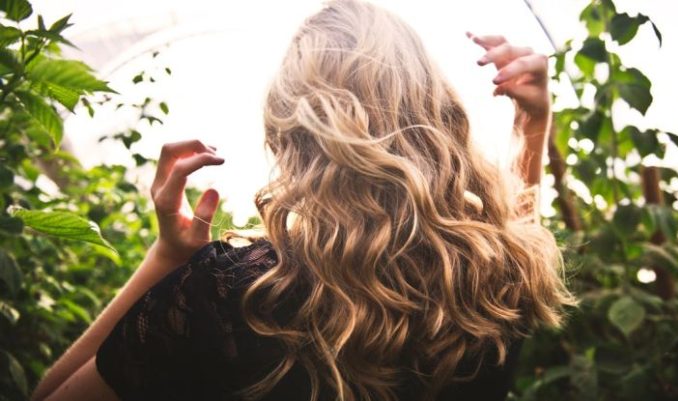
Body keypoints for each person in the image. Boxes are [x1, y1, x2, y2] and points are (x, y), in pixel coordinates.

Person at [32, 1, 573, 400]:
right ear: (435, 109)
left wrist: (168, 260)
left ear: (290, 130)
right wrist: (532, 122)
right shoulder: (499, 276)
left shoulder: (233, 296)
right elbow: (516, 229)